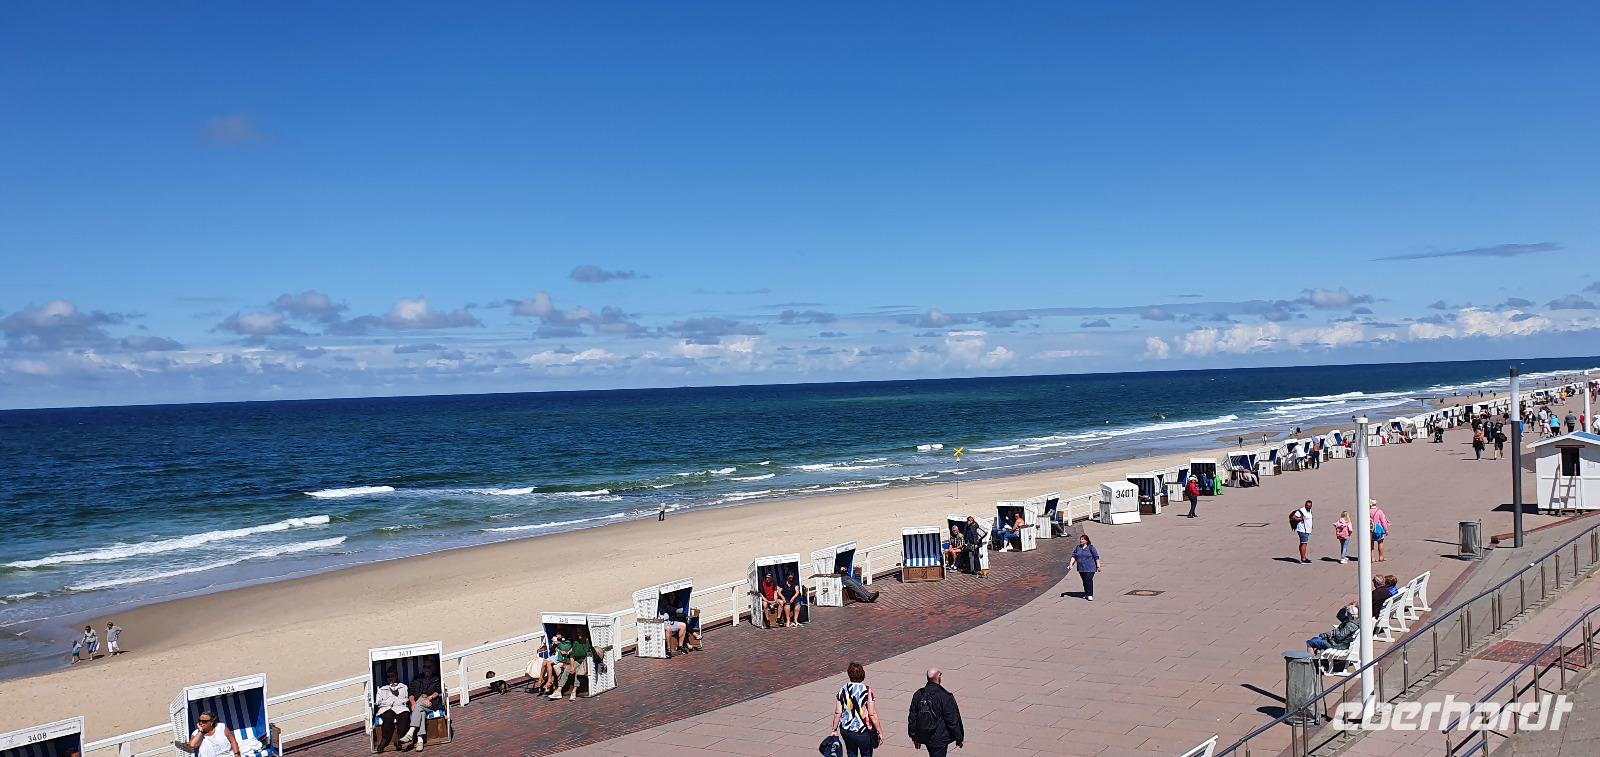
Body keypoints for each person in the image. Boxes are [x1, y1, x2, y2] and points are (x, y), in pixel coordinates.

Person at [831, 662, 883, 757]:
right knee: (866, 753)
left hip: (846, 730)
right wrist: (879, 731)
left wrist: (834, 729)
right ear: (862, 674)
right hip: (862, 731)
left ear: (849, 674)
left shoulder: (842, 689)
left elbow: (838, 712)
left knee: (851, 753)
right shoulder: (867, 690)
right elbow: (872, 714)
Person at [908, 667, 964, 756]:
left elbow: (912, 717)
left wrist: (914, 737)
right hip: (939, 738)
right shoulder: (944, 696)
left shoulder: (918, 694)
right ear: (938, 677)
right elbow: (952, 720)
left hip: (925, 735)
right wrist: (959, 737)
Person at [400, 658, 445, 750]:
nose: (427, 669)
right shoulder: (417, 678)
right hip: (418, 704)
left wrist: (429, 698)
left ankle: (410, 732)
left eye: (429, 667)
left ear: (432, 668)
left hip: (431, 703)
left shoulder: (436, 678)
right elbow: (411, 693)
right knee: (421, 711)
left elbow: (437, 691)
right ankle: (420, 741)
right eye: (425, 666)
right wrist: (412, 703)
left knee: (420, 703)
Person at [373, 668, 410, 752]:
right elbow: (378, 702)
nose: (390, 678)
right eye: (388, 676)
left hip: (400, 707)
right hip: (386, 708)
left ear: (396, 676)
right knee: (388, 716)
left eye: (392, 676)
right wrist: (389, 700)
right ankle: (384, 741)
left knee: (405, 715)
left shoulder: (403, 687)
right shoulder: (382, 689)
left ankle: (398, 739)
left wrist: (397, 697)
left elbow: (405, 699)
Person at [1072, 534, 1101, 601]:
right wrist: (1071, 564)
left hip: (1090, 567)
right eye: (1080, 539)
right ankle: (1086, 593)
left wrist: (1098, 566)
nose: (1081, 540)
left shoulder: (1091, 547)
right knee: (1084, 581)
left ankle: (1090, 594)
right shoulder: (1078, 547)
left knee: (1088, 580)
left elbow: (1096, 557)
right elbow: (1074, 556)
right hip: (1081, 568)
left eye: (1082, 539)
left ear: (1086, 541)